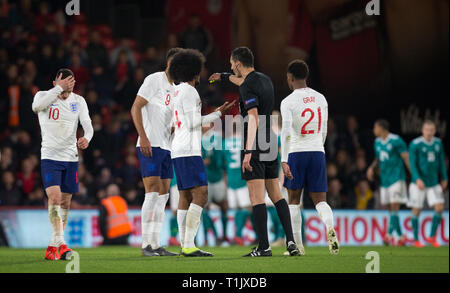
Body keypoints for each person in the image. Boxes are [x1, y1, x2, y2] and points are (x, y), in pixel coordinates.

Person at [209, 47, 299, 257]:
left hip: (256, 138)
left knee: (256, 197)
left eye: (232, 64)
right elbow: (242, 82)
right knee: (276, 194)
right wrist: (223, 77)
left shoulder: (247, 86)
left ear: (239, 64)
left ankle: (264, 247)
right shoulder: (264, 79)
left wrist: (248, 150)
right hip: (270, 137)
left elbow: (253, 117)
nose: (231, 67)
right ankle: (291, 242)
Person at [169, 49, 235, 257]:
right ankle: (188, 244)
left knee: (185, 196)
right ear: (195, 72)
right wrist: (217, 114)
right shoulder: (190, 92)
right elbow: (191, 123)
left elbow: (176, 123)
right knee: (201, 194)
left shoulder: (175, 91)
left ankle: (185, 243)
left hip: (178, 148)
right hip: (189, 150)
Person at [32, 68, 93, 260]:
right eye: (64, 80)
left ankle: (53, 245)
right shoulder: (43, 96)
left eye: (71, 80)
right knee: (55, 198)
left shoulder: (79, 101)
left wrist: (87, 137)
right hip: (50, 157)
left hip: (71, 158)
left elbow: (88, 124)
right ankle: (62, 244)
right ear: (55, 82)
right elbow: (36, 107)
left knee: (66, 202)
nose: (69, 83)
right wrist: (58, 89)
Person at [280, 60, 338, 255]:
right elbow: (324, 129)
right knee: (321, 200)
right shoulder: (321, 98)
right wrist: (318, 146)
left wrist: (284, 159)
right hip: (317, 151)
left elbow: (286, 132)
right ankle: (330, 229)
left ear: (289, 78)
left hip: (296, 152)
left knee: (294, 200)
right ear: (306, 75)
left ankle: (297, 246)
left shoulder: (288, 101)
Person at [130, 48, 184, 257]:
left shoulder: (176, 88)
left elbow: (169, 120)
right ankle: (145, 245)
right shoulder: (154, 80)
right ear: (170, 63)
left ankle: (155, 244)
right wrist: (143, 136)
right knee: (151, 193)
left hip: (166, 146)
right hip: (150, 144)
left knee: (162, 197)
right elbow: (136, 107)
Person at [367, 119, 410, 246]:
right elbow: (378, 158)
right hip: (385, 180)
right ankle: (401, 237)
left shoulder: (397, 140)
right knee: (390, 209)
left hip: (397, 178)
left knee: (394, 206)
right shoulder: (377, 142)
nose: (374, 130)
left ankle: (388, 235)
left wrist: (414, 175)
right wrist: (371, 168)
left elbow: (406, 157)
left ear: (382, 128)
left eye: (375, 127)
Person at [408, 120, 448, 248]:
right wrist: (417, 178)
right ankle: (416, 240)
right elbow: (412, 164)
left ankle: (431, 237)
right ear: (422, 130)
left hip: (433, 182)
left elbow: (441, 162)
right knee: (416, 210)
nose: (429, 132)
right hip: (418, 183)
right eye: (427, 130)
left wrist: (445, 177)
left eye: (431, 130)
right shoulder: (415, 144)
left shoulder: (438, 143)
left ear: (435, 131)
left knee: (439, 207)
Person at [223, 125, 254, 246]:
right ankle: (238, 235)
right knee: (247, 208)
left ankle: (238, 235)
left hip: (231, 180)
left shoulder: (224, 143)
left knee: (236, 210)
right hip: (243, 179)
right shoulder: (245, 142)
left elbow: (223, 164)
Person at [201, 130, 228, 245]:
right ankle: (215, 236)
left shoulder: (210, 139)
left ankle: (222, 236)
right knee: (203, 209)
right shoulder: (202, 139)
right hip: (209, 179)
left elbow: (220, 161)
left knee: (220, 207)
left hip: (215, 178)